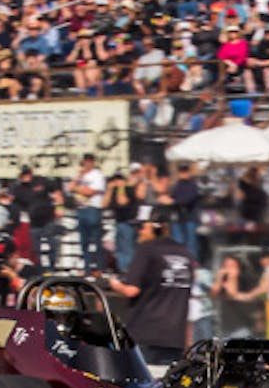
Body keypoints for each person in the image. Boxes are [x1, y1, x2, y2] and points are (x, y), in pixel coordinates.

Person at [107, 212, 194, 365]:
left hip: (145, 334)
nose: (138, 231)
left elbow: (131, 290)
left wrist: (113, 284)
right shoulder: (185, 254)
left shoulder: (146, 250)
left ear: (157, 228)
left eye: (142, 227)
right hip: (175, 337)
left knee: (140, 386)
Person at [66, 153, 106, 272]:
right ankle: (87, 267)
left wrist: (77, 189)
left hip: (92, 208)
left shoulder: (97, 175)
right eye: (85, 161)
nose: (87, 164)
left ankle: (99, 267)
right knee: (84, 241)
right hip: (81, 209)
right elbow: (69, 188)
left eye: (89, 161)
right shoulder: (80, 175)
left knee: (96, 240)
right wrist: (79, 176)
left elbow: (90, 191)